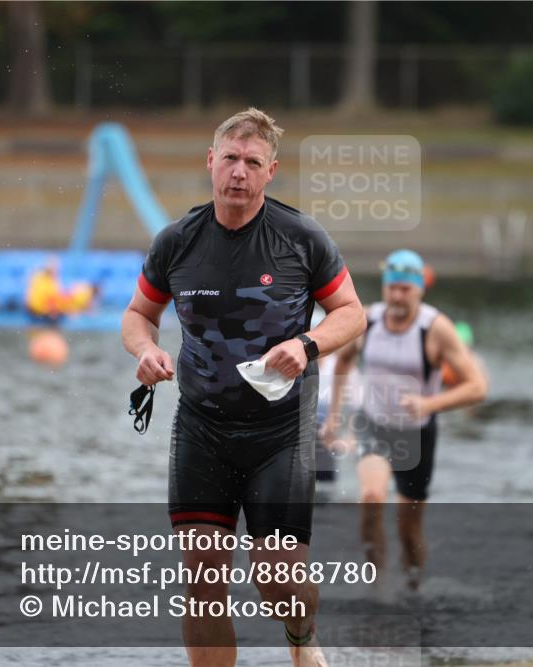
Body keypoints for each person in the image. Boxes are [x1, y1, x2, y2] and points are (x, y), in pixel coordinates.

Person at [121, 108, 365, 667]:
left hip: (280, 432)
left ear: (270, 171)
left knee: (278, 581)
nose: (239, 171)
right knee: (203, 579)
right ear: (210, 161)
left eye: (253, 162)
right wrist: (145, 350)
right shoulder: (177, 241)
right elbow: (138, 314)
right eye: (230, 158)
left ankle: (301, 636)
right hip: (202, 428)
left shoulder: (300, 238)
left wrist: (307, 345)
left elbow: (351, 313)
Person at [326, 249, 487, 592]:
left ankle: (413, 589)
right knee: (371, 499)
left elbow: (477, 387)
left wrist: (430, 403)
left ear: (420, 290)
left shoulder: (436, 329)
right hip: (373, 425)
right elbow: (343, 362)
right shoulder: (367, 320)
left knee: (408, 529)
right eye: (392, 288)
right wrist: (334, 418)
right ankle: (379, 588)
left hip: (417, 434)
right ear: (384, 288)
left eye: (405, 289)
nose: (398, 296)